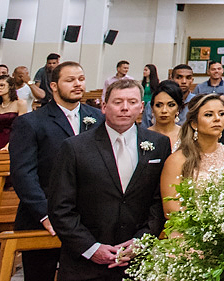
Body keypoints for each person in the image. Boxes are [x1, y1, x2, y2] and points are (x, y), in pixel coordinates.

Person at [47, 79, 170, 280]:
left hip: (138, 261)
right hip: (84, 263)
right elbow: (60, 207)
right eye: (118, 102)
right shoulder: (75, 147)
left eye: (132, 102)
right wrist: (90, 248)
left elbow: (159, 201)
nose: (124, 108)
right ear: (104, 107)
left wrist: (142, 241)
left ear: (141, 107)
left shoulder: (159, 144)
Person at [10, 61, 104, 281]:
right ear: (53, 86)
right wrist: (45, 215)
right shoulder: (30, 123)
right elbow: (23, 174)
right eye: (70, 80)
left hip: (86, 221)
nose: (77, 84)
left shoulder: (98, 118)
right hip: (41, 219)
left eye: (81, 79)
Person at [159, 94, 224, 215]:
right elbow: (171, 209)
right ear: (194, 124)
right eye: (209, 115)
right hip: (190, 228)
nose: (217, 118)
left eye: (221, 114)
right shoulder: (177, 160)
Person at [0, 74, 27, 150]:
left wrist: (9, 145)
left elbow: (20, 127)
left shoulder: (20, 103)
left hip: (14, 140)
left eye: (2, 85)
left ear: (10, 86)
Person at [146, 81, 184, 150]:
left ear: (178, 108)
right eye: (159, 105)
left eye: (171, 105)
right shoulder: (143, 136)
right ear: (152, 108)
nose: (164, 111)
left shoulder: (186, 136)